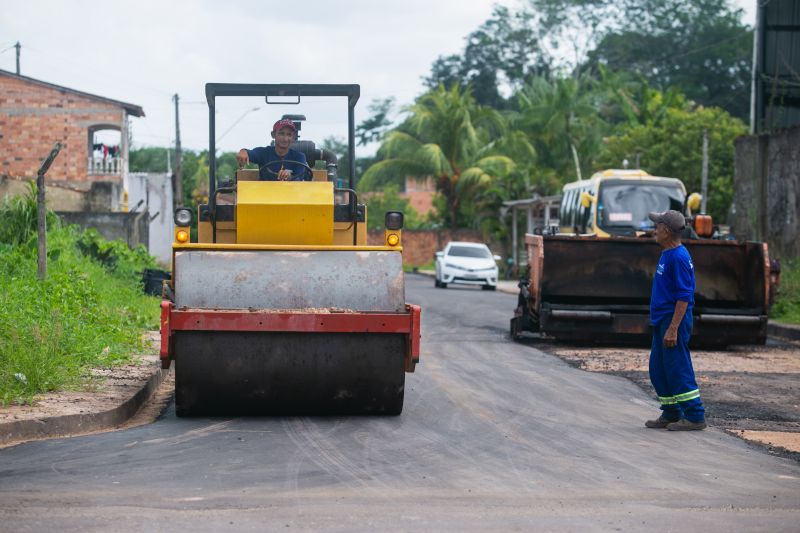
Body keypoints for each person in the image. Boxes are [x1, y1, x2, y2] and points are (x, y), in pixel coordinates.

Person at [645, 209, 707, 431]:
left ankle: (695, 416)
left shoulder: (679, 257)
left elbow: (684, 296)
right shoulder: (667, 254)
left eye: (657, 226)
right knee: (659, 369)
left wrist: (673, 328)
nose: (654, 230)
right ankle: (671, 412)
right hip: (662, 320)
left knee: (677, 368)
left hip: (673, 322)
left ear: (666, 231)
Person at [236, 118, 309, 181]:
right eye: (281, 134)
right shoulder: (263, 153)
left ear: (293, 137)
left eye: (289, 135)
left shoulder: (299, 157)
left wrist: (289, 177)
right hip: (264, 195)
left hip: (291, 195)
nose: (285, 139)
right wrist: (243, 151)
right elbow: (250, 153)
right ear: (273, 134)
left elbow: (299, 179)